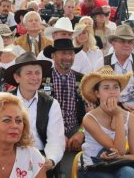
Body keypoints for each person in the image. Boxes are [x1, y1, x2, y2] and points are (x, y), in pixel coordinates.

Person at [5, 52, 65, 178]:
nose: (34, 77)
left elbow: (56, 139)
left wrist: (50, 160)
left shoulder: (51, 104)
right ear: (17, 77)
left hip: (40, 158)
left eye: (38, 73)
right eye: (29, 73)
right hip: (8, 156)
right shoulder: (3, 102)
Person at [78, 66, 134, 178]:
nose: (112, 92)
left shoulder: (130, 118)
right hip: (94, 165)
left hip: (118, 163)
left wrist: (119, 158)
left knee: (129, 173)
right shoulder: (89, 118)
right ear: (97, 93)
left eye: (115, 87)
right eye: (106, 88)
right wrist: (118, 114)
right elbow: (120, 149)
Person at [42, 38, 86, 177]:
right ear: (53, 56)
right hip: (47, 131)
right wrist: (58, 135)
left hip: (75, 130)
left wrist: (81, 131)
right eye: (63, 53)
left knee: (70, 172)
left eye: (71, 54)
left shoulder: (83, 80)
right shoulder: (41, 78)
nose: (68, 57)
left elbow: (92, 112)